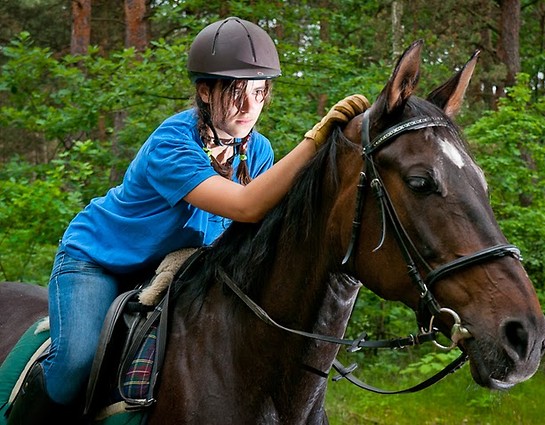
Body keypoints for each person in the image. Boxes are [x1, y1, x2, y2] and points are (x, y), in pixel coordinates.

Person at [6, 16, 369, 424]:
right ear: (204, 91)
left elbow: (258, 238)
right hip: (99, 260)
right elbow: (247, 206)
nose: (250, 107)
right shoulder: (171, 143)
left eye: (259, 91)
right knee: (74, 364)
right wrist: (314, 142)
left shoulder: (258, 150)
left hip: (174, 265)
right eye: (236, 92)